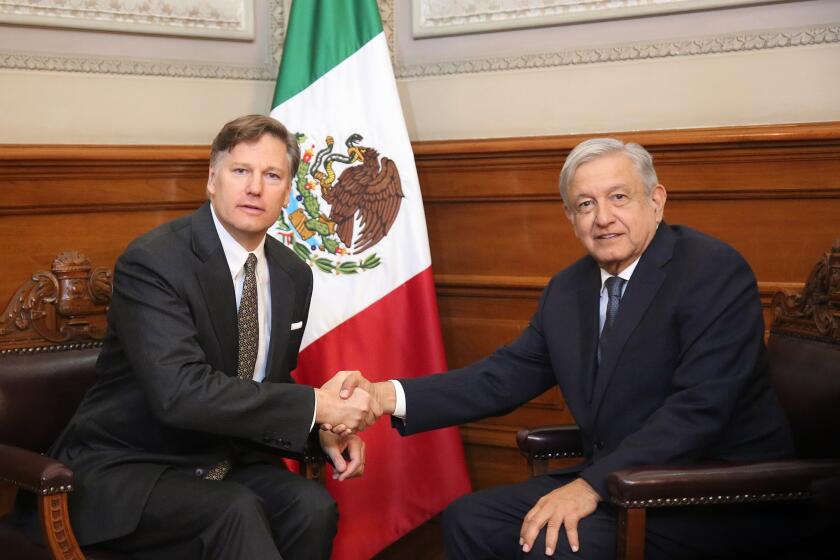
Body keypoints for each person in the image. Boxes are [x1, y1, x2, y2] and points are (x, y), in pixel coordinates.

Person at [333, 138, 801, 559]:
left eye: (619, 197)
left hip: (712, 492)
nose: (603, 217)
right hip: (621, 483)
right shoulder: (568, 289)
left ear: (656, 201)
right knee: (472, 520)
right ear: (570, 218)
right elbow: (502, 377)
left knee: (553, 548)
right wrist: (382, 396)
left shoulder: (712, 271)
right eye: (585, 204)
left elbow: (699, 411)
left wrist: (590, 485)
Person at [26, 115, 381, 559]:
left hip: (223, 459)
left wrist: (321, 429)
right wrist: (316, 405)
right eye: (240, 171)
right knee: (234, 510)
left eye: (272, 176)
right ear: (212, 179)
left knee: (311, 506)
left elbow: (266, 383)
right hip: (131, 466)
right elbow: (180, 393)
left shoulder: (293, 275)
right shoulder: (154, 263)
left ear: (288, 192)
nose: (255, 188)